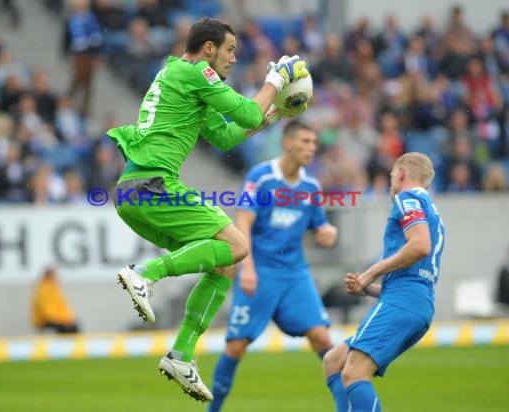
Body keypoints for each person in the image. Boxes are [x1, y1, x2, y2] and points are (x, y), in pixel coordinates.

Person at [106, 17, 310, 402]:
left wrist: (277, 114)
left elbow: (226, 135)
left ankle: (182, 354)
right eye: (230, 50)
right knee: (237, 245)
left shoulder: (181, 76)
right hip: (154, 185)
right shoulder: (196, 71)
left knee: (226, 261)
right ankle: (144, 274)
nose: (234, 59)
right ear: (209, 49)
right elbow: (247, 112)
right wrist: (277, 80)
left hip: (134, 192)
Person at [208, 120, 338, 411]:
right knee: (236, 346)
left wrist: (328, 232)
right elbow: (243, 221)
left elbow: (320, 226)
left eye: (314, 143)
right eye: (305, 142)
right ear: (287, 143)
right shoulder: (261, 177)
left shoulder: (311, 186)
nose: (311, 148)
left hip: (294, 274)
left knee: (322, 338)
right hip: (261, 271)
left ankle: (349, 405)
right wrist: (248, 268)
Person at [322, 152, 445, 412]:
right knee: (334, 362)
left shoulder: (407, 198)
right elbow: (415, 277)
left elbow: (420, 246)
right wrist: (369, 289)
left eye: (391, 177)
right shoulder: (432, 210)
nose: (391, 183)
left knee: (354, 373)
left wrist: (371, 272)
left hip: (403, 302)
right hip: (415, 302)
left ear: (401, 173)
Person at [31, 267, 80, 334]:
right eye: (54, 276)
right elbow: (47, 312)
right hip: (45, 321)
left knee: (74, 326)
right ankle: (64, 344)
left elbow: (62, 307)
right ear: (48, 277)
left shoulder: (53, 289)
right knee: (67, 328)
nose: (57, 279)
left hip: (57, 319)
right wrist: (63, 321)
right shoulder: (43, 291)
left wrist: (67, 319)